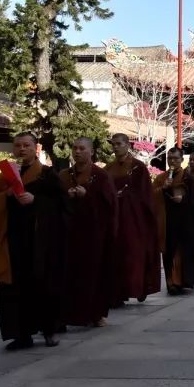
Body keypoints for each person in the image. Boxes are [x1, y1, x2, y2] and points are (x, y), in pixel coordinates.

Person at [0, 132, 64, 350]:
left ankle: (49, 330)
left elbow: (63, 204)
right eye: (18, 145)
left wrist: (36, 200)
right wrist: (7, 195)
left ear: (36, 148)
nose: (22, 149)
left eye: (26, 145)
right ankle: (21, 335)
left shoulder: (48, 174)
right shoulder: (7, 176)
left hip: (41, 241)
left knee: (43, 284)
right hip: (14, 239)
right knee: (15, 287)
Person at [60, 138, 118, 328]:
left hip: (95, 233)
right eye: (75, 148)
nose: (77, 152)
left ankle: (95, 314)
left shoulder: (101, 176)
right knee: (69, 273)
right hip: (69, 232)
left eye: (82, 148)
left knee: (94, 274)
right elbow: (55, 202)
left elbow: (110, 204)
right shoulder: (64, 175)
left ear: (91, 152)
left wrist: (88, 195)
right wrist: (67, 197)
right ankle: (70, 314)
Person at [105, 134, 159, 304]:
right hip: (114, 216)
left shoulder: (138, 167)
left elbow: (145, 194)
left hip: (133, 217)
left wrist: (126, 196)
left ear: (128, 145)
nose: (115, 147)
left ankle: (136, 287)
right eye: (113, 144)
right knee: (115, 254)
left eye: (119, 144)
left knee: (133, 253)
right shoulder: (108, 168)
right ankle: (117, 293)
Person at [154, 147, 194, 295]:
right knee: (169, 252)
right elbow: (150, 196)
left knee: (183, 252)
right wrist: (163, 188)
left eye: (176, 159)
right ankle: (171, 283)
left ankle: (183, 281)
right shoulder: (161, 178)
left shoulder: (188, 178)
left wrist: (183, 199)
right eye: (170, 159)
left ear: (182, 160)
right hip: (167, 220)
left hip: (184, 220)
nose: (172, 161)